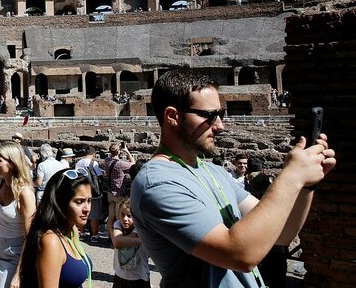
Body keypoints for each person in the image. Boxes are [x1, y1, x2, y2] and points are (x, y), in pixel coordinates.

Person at [130, 68, 336, 288]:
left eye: (221, 114)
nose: (220, 126)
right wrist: (291, 177)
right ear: (173, 116)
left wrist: (306, 185)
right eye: (209, 116)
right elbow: (239, 254)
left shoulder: (216, 172)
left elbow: (282, 235)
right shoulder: (158, 183)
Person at [19, 168, 93, 288]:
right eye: (79, 202)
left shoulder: (72, 230)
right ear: (60, 202)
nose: (87, 209)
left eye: (89, 201)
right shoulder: (51, 240)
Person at [0, 141, 36, 288]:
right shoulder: (2, 183)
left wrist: (19, 273)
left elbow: (30, 234)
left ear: (12, 163)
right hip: (0, 248)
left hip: (17, 252)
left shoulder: (24, 193)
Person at [111, 200, 150, 288]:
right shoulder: (118, 224)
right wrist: (143, 241)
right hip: (120, 276)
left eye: (129, 216)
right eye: (122, 215)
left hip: (139, 278)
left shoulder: (140, 229)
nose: (125, 219)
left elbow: (119, 241)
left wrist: (113, 233)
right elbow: (117, 242)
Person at [103, 143, 134, 236]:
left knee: (110, 217)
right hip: (119, 194)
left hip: (110, 193)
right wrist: (127, 152)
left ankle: (110, 236)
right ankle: (117, 237)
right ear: (118, 151)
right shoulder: (120, 164)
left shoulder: (107, 160)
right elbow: (133, 164)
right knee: (118, 218)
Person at [75, 147, 104, 240]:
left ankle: (82, 233)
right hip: (93, 191)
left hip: (80, 190)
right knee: (94, 214)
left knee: (82, 211)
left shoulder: (79, 162)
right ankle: (94, 235)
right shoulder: (94, 163)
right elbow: (99, 176)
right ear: (94, 154)